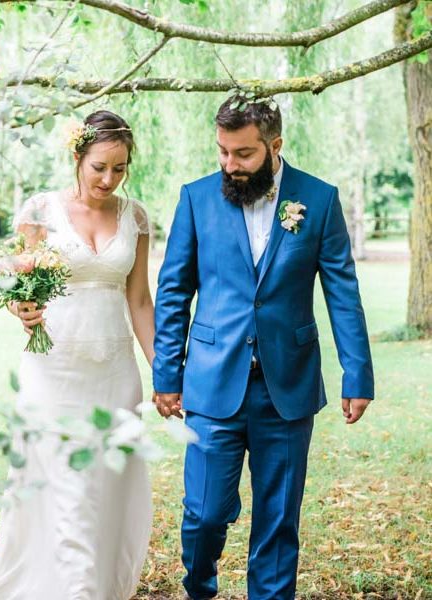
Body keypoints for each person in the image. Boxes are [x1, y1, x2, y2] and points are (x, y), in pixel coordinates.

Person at [152, 96, 375, 600]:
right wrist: (167, 374)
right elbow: (173, 291)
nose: (230, 165)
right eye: (223, 152)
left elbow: (343, 293)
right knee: (205, 512)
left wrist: (357, 375)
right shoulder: (196, 197)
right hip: (210, 383)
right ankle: (200, 587)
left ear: (275, 146)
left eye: (244, 154)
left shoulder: (317, 200)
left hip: (288, 388)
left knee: (278, 522)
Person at [0, 110, 154, 600]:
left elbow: (139, 300)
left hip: (115, 371)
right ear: (77, 157)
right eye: (99, 167)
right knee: (64, 484)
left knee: (105, 487)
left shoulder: (135, 217)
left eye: (120, 168)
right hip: (54, 369)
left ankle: (98, 584)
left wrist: (166, 373)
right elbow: (24, 285)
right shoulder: (42, 211)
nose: (109, 179)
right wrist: (22, 309)